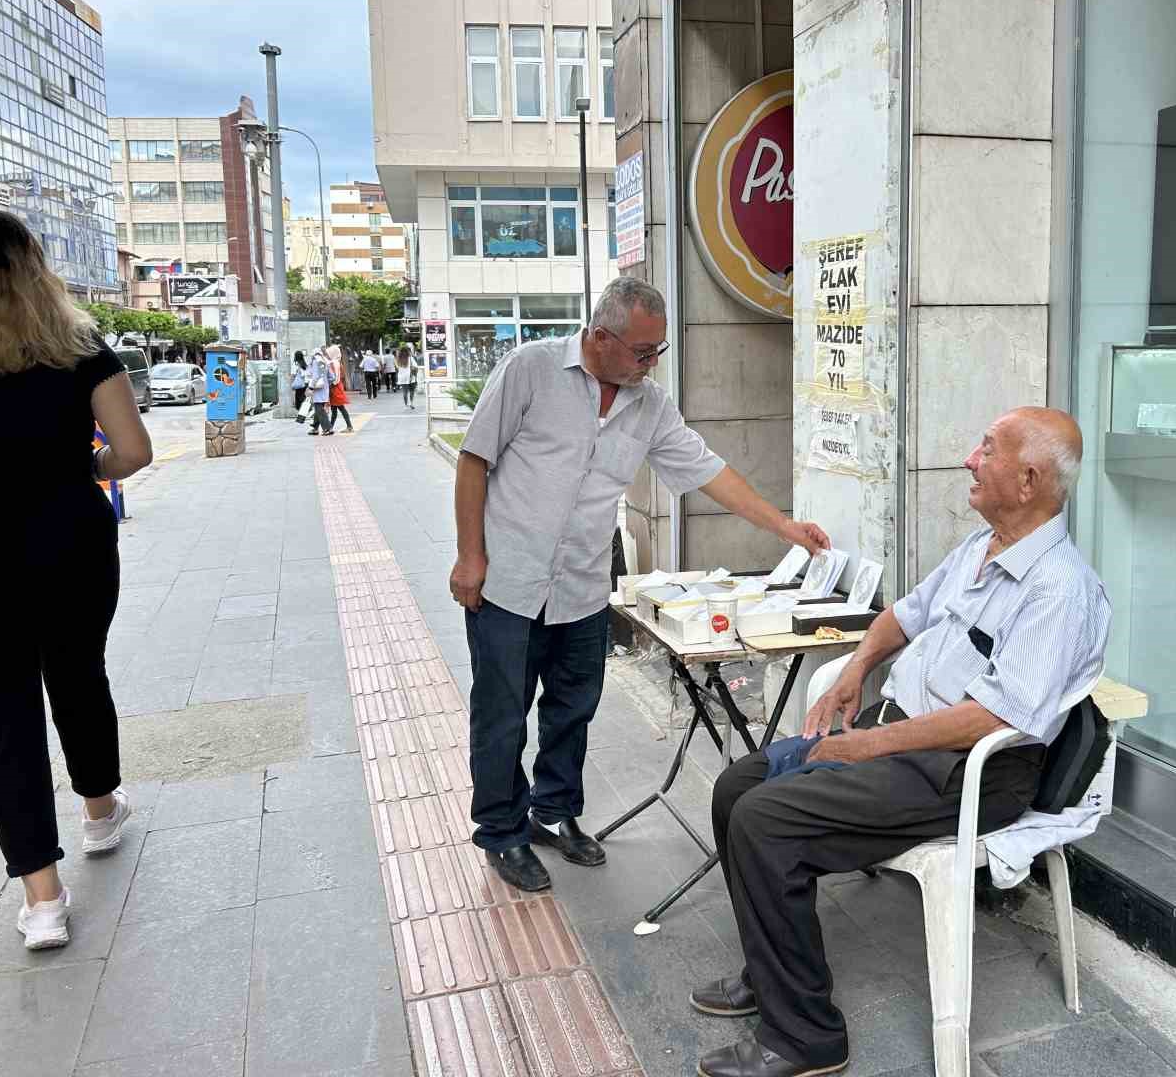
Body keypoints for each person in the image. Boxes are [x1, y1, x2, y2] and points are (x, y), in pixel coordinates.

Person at [690, 408, 1110, 1077]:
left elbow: (991, 718)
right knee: (737, 786)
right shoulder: (981, 547)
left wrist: (864, 748)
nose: (970, 459)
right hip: (902, 736)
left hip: (966, 770)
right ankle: (770, 970)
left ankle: (806, 1039)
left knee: (765, 820)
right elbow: (901, 616)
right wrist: (855, 671)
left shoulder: (1060, 590)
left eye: (986, 448)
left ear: (1028, 479)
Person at [451, 276, 830, 894]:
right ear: (600, 338)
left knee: (574, 707)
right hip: (509, 580)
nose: (652, 364)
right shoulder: (531, 370)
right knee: (501, 714)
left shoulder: (649, 404)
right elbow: (474, 460)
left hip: (580, 586)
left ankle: (554, 811)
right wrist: (470, 555)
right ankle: (501, 831)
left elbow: (708, 470)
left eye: (659, 352)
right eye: (642, 352)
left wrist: (784, 526)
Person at [0, 210, 154, 951]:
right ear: (37, 271)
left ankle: (42, 898)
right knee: (77, 672)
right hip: (68, 533)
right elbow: (132, 451)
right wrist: (85, 469)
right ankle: (101, 811)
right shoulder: (79, 350)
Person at [326, 345, 354, 432]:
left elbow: (335, 377)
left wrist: (330, 384)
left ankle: (349, 427)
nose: (327, 354)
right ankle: (330, 427)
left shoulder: (334, 363)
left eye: (329, 352)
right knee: (335, 409)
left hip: (335, 388)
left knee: (340, 408)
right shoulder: (337, 362)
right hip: (337, 387)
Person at [306, 348, 333, 435]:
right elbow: (332, 377)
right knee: (318, 408)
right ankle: (315, 428)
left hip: (317, 389)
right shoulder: (326, 362)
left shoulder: (315, 362)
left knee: (319, 409)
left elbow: (315, 376)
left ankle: (328, 428)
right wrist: (325, 383)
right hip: (325, 389)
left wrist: (311, 387)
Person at [290, 350, 310, 423]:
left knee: (298, 400)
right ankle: (303, 415)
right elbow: (307, 374)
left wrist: (291, 383)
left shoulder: (295, 364)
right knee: (303, 398)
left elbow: (293, 375)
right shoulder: (305, 364)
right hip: (304, 384)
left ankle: (301, 415)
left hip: (298, 385)